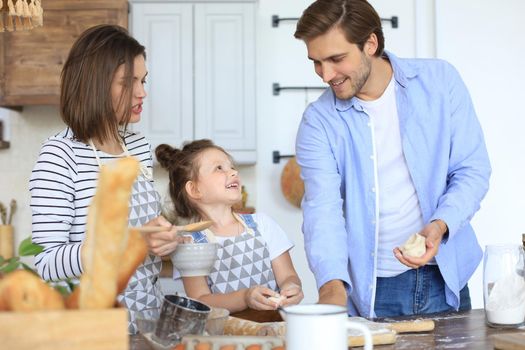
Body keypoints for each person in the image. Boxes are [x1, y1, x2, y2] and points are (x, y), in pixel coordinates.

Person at [293, 0, 491, 318]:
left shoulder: (440, 81)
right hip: (374, 289)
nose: (325, 74)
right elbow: (322, 210)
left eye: (335, 59)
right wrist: (330, 286)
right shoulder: (318, 122)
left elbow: (472, 169)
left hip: (448, 275)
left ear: (370, 43)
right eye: (316, 62)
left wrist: (439, 226)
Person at [29, 24, 182, 333]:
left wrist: (163, 239)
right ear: (95, 84)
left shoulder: (137, 146)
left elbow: (143, 233)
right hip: (93, 327)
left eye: (143, 80)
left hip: (148, 320)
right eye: (129, 81)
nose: (142, 92)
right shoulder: (59, 155)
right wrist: (127, 243)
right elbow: (45, 265)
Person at [156, 140, 304, 312]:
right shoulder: (190, 244)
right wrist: (244, 297)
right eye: (219, 168)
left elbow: (287, 275)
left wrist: (292, 287)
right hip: (223, 337)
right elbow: (200, 300)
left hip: (274, 331)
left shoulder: (263, 225)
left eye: (232, 166)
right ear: (194, 189)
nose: (233, 171)